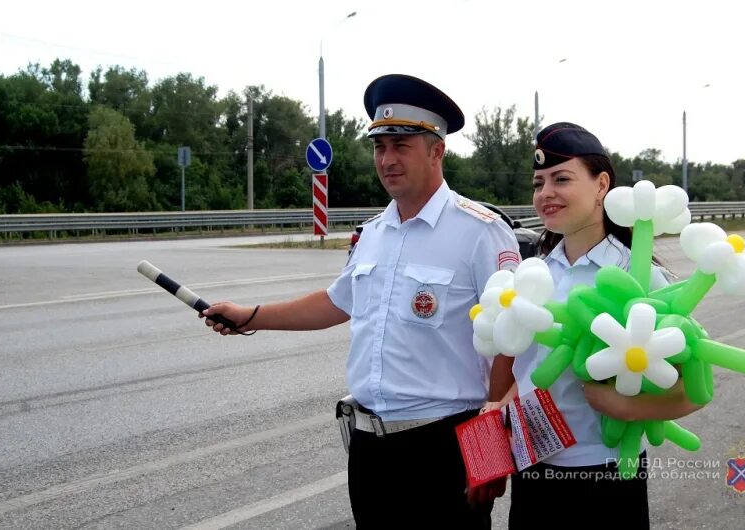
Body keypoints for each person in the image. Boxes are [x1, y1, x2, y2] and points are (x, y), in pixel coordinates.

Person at [200, 74, 521, 528]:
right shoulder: (372, 234)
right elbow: (336, 303)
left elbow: (513, 335)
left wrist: (489, 447)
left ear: (437, 150)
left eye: (401, 146)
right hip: (369, 448)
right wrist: (251, 316)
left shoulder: (480, 232)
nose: (386, 159)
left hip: (442, 448)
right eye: (379, 147)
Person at [481, 122, 702, 529]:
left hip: (604, 474)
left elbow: (694, 388)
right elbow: (524, 372)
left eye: (561, 179)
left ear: (601, 185)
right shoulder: (536, 273)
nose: (545, 193)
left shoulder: (636, 274)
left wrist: (623, 406)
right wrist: (492, 436)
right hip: (534, 470)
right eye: (538, 182)